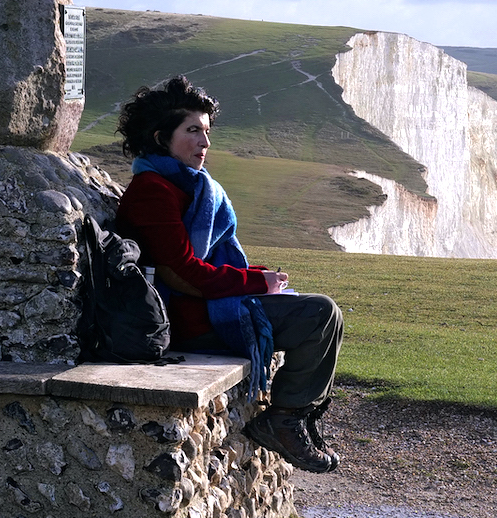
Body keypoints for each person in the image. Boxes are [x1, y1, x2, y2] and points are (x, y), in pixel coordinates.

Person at [113, 76, 342, 473]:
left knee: (322, 314)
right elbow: (181, 273)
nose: (205, 143)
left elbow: (212, 263)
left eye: (207, 132)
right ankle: (283, 420)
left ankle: (299, 415)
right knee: (319, 314)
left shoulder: (193, 187)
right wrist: (256, 283)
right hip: (182, 318)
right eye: (193, 131)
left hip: (206, 304)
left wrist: (259, 274)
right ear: (160, 137)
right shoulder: (153, 191)